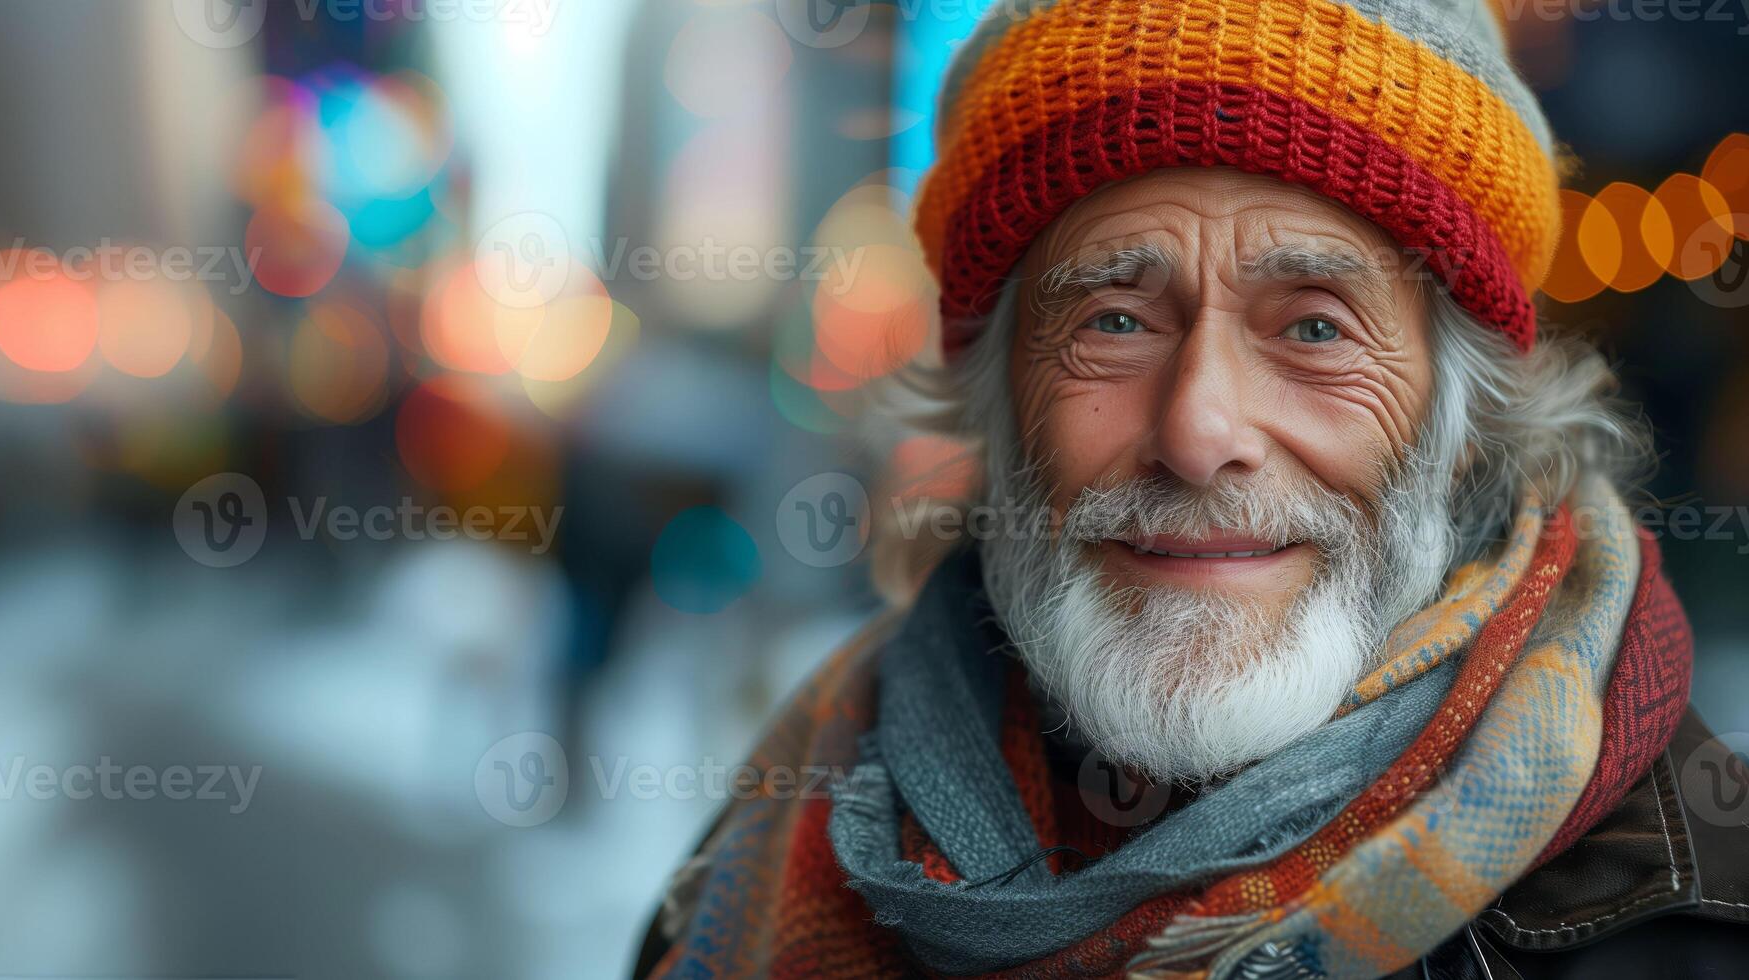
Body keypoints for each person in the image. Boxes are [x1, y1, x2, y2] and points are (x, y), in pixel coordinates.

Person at [637, 1, 1748, 976]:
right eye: (1113, 321)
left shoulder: (1696, 919)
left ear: (1461, 425)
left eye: (1316, 328)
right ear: (999, 397)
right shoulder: (786, 816)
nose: (1198, 429)